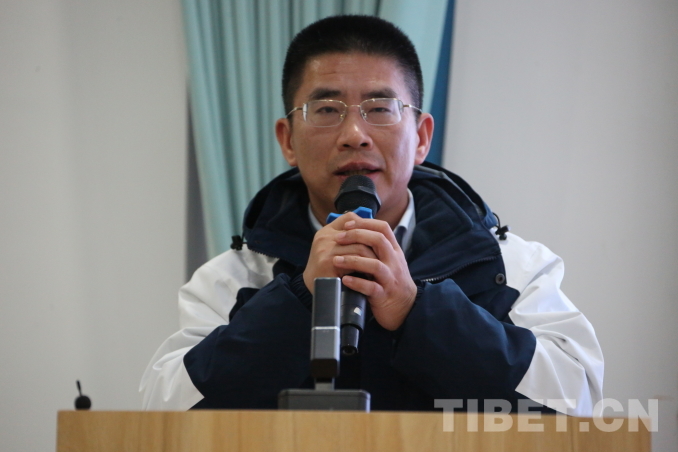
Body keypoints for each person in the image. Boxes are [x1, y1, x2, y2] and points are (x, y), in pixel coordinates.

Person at [140, 15, 603, 415]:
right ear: (287, 140)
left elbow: (578, 403)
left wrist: (415, 311)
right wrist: (299, 300)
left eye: (380, 108)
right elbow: (164, 412)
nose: (354, 134)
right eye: (327, 109)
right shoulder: (236, 276)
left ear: (421, 138)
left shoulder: (508, 265)